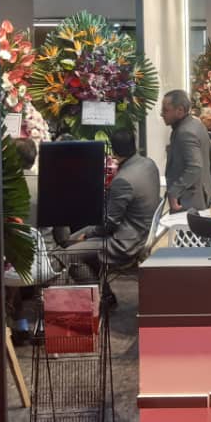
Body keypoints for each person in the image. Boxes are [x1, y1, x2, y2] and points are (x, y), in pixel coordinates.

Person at [55, 128, 161, 307]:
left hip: (125, 241)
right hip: (141, 230)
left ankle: (101, 298)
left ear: (114, 150)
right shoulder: (149, 164)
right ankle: (105, 294)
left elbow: (109, 223)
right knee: (70, 240)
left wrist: (87, 235)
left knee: (68, 254)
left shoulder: (123, 180)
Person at [161, 89, 211, 212]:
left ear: (180, 110)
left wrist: (175, 191)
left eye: (165, 110)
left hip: (190, 199)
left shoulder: (185, 132)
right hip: (201, 193)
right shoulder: (196, 124)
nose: (162, 114)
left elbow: (195, 166)